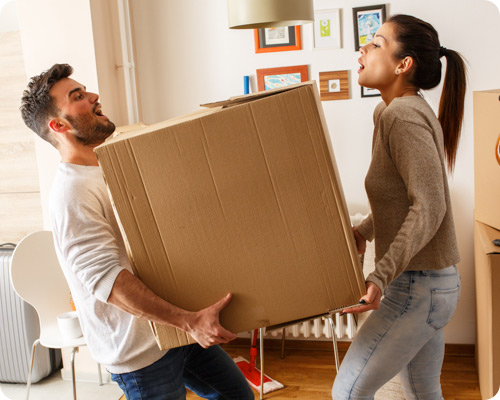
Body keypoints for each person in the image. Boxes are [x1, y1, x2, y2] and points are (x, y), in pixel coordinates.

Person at [20, 64, 254, 400]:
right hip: (141, 354)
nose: (94, 96)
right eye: (78, 97)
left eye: (85, 90)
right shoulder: (72, 194)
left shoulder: (110, 168)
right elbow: (109, 283)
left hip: (174, 331)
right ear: (59, 125)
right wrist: (189, 321)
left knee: (237, 396)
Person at [332, 14, 466, 400]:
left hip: (417, 289)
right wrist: (364, 232)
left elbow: (429, 206)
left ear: (403, 64)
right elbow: (401, 199)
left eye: (375, 43)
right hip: (428, 287)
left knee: (347, 394)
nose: (363, 49)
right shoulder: (392, 112)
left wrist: (379, 276)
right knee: (423, 392)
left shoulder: (403, 115)